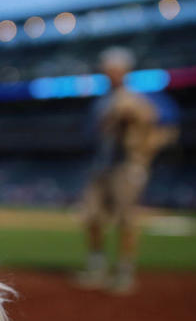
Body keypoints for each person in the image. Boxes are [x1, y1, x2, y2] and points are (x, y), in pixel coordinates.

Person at [76, 47, 178, 293]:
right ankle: (97, 266)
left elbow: (164, 123)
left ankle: (124, 271)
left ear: (124, 71)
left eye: (114, 69)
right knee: (92, 216)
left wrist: (138, 127)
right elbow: (94, 133)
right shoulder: (102, 102)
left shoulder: (138, 98)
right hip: (102, 165)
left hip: (127, 165)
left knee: (126, 218)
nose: (110, 74)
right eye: (107, 69)